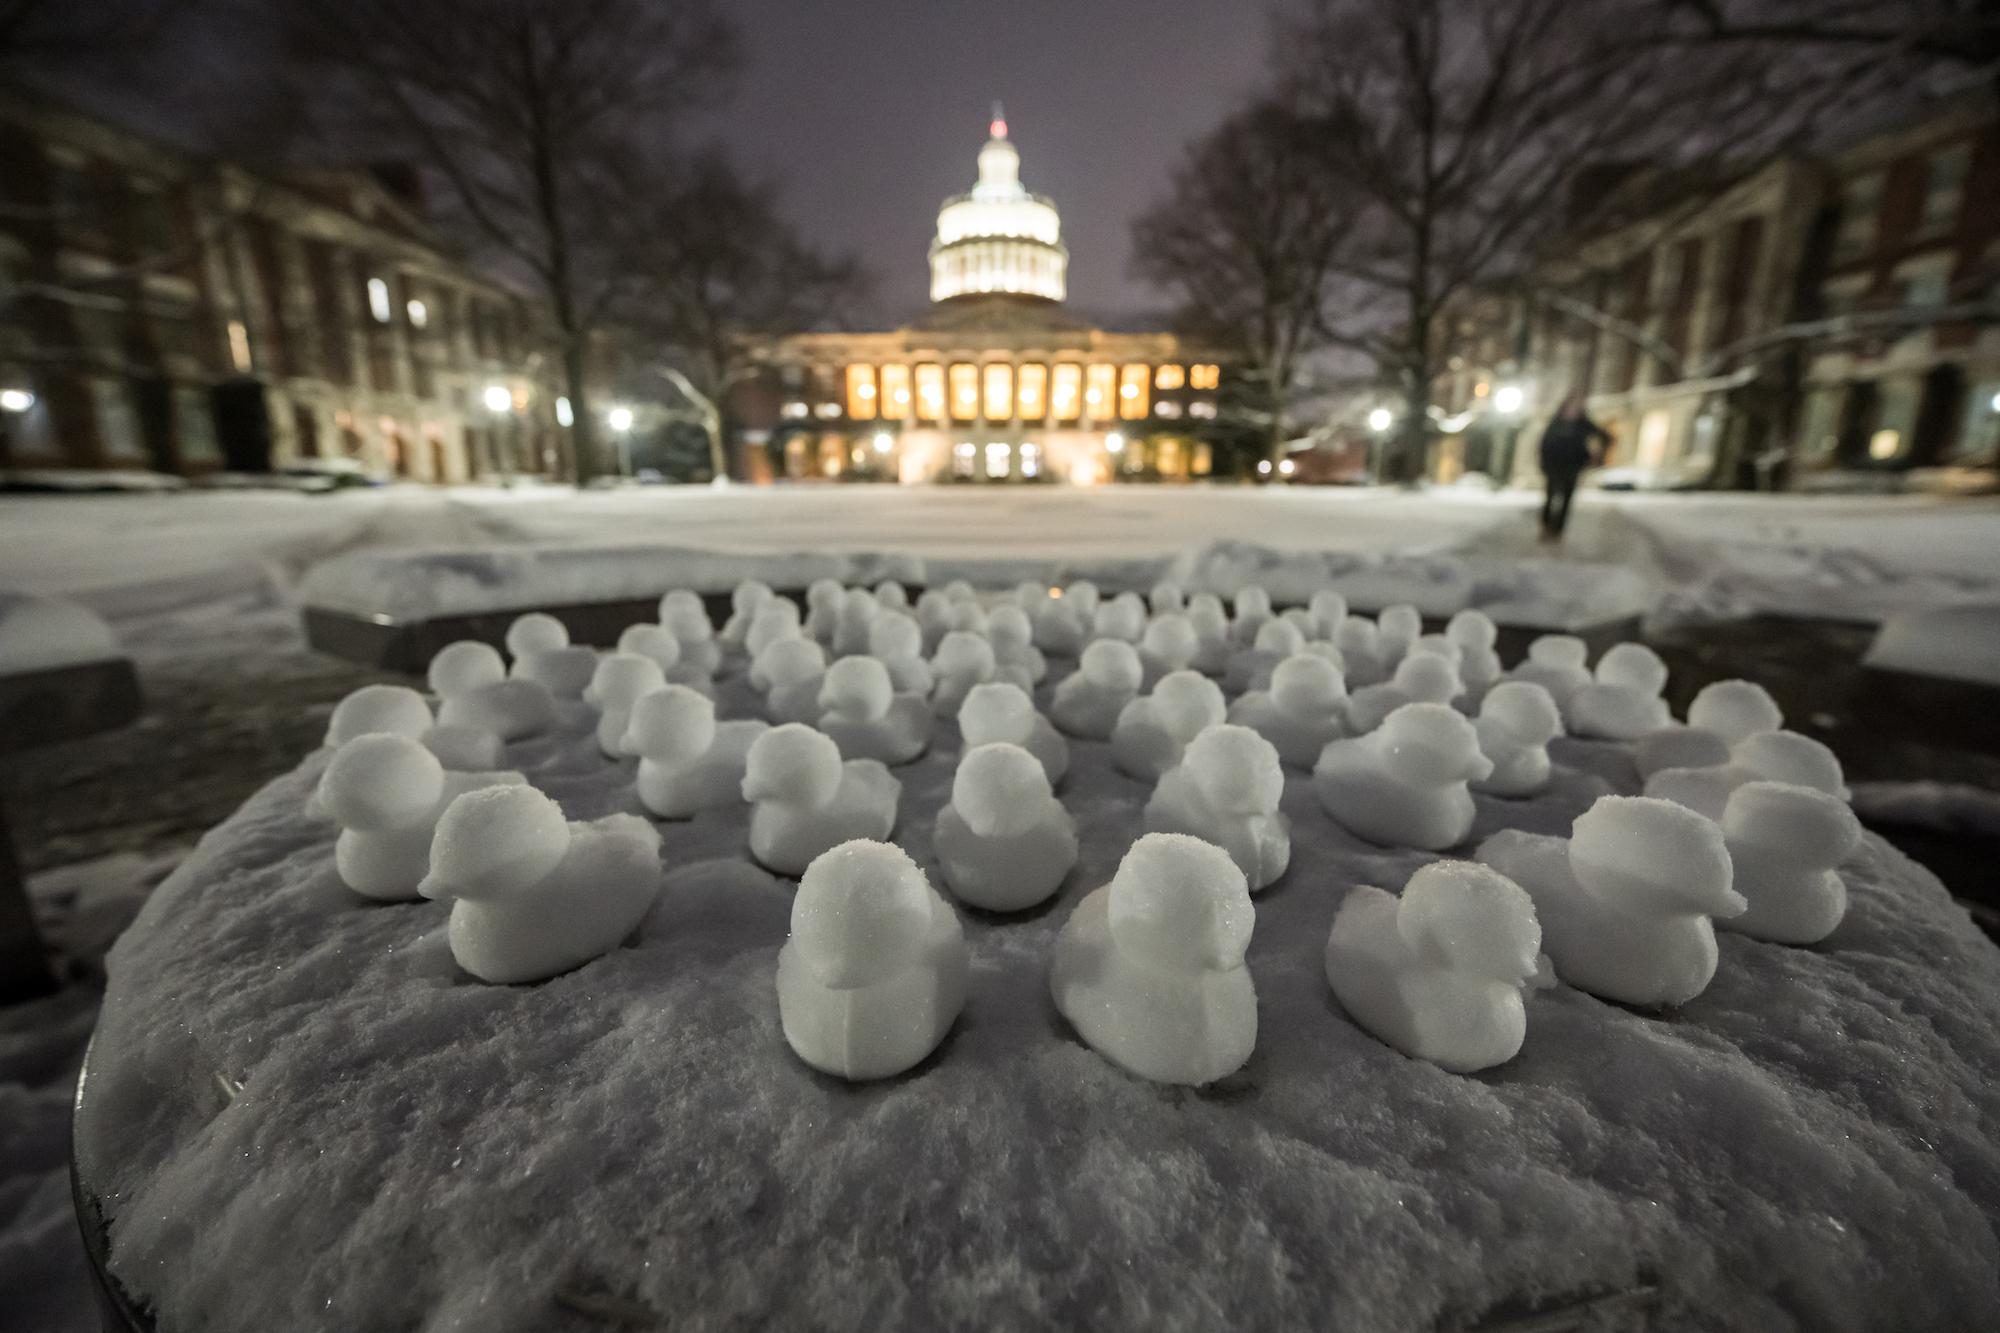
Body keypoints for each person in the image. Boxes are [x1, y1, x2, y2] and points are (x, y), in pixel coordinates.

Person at [1537, 394, 1610, 541]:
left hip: (1573, 466)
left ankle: (1557, 531)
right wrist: (1544, 463)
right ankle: (1546, 527)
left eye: (1576, 406)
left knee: (1566, 500)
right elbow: (1545, 444)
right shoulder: (1556, 423)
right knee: (1550, 497)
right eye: (1571, 406)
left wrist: (1596, 455)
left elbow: (1606, 437)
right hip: (1554, 466)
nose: (1572, 410)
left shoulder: (1583, 424)